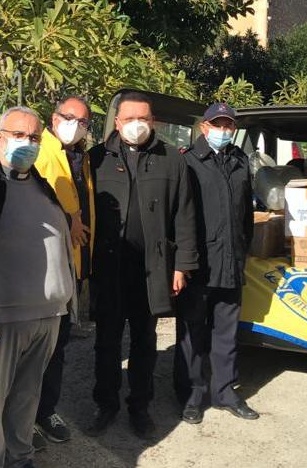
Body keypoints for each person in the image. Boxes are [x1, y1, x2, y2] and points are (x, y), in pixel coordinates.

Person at [87, 91, 198, 439]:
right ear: (117, 122)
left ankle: (140, 406)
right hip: (108, 267)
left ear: (154, 122)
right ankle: (106, 403)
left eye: (144, 118)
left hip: (152, 268)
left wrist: (182, 265)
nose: (137, 124)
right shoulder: (96, 158)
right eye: (130, 118)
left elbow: (185, 215)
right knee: (106, 340)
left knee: (144, 340)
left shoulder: (171, 159)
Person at [174, 103, 258, 423]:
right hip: (200, 264)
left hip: (231, 262)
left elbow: (246, 216)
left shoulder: (239, 161)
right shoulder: (188, 162)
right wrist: (182, 262)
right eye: (217, 124)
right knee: (193, 332)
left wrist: (242, 249)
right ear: (204, 128)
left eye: (229, 125)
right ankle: (192, 394)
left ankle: (224, 391)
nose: (224, 130)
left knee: (226, 331)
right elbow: (179, 216)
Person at [0, 106, 75, 468]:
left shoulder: (43, 186)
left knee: (26, 398)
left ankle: (20, 458)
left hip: (48, 315)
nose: (27, 143)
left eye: (33, 137)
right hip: (6, 317)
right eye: (18, 135)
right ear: (0, 138)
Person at [33, 96, 94, 446]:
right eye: (69, 117)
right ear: (54, 118)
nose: (75, 124)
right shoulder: (41, 150)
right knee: (32, 351)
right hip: (42, 266)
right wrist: (66, 218)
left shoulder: (79, 157)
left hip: (71, 266)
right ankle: (23, 419)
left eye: (83, 120)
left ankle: (44, 411)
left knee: (57, 346)